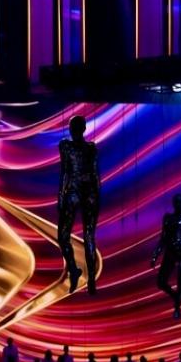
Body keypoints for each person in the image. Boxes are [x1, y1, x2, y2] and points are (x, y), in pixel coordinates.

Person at [57, 115, 101, 295]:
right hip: (88, 192)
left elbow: (66, 172)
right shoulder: (88, 147)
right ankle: (85, 276)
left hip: (77, 191)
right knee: (86, 236)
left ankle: (82, 274)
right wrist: (97, 196)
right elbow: (95, 175)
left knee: (68, 236)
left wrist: (61, 196)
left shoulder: (67, 146)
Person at [151, 194, 181, 318]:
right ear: (173, 203)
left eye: (180, 202)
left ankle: (177, 307)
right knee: (161, 282)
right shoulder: (168, 218)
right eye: (176, 202)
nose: (178, 204)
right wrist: (155, 255)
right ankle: (176, 297)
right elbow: (163, 238)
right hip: (171, 251)